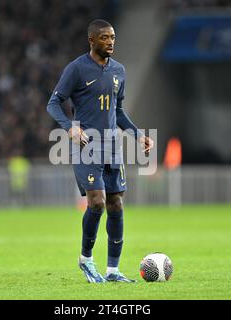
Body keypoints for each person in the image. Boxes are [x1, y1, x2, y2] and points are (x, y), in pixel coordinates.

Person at [46, 19, 154, 283]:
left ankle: (113, 270)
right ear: (92, 40)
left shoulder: (119, 71)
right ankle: (86, 260)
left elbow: (117, 112)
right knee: (96, 202)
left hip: (111, 147)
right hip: (87, 146)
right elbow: (54, 103)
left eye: (113, 37)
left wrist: (138, 134)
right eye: (105, 37)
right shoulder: (77, 68)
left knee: (115, 203)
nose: (111, 42)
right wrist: (70, 127)